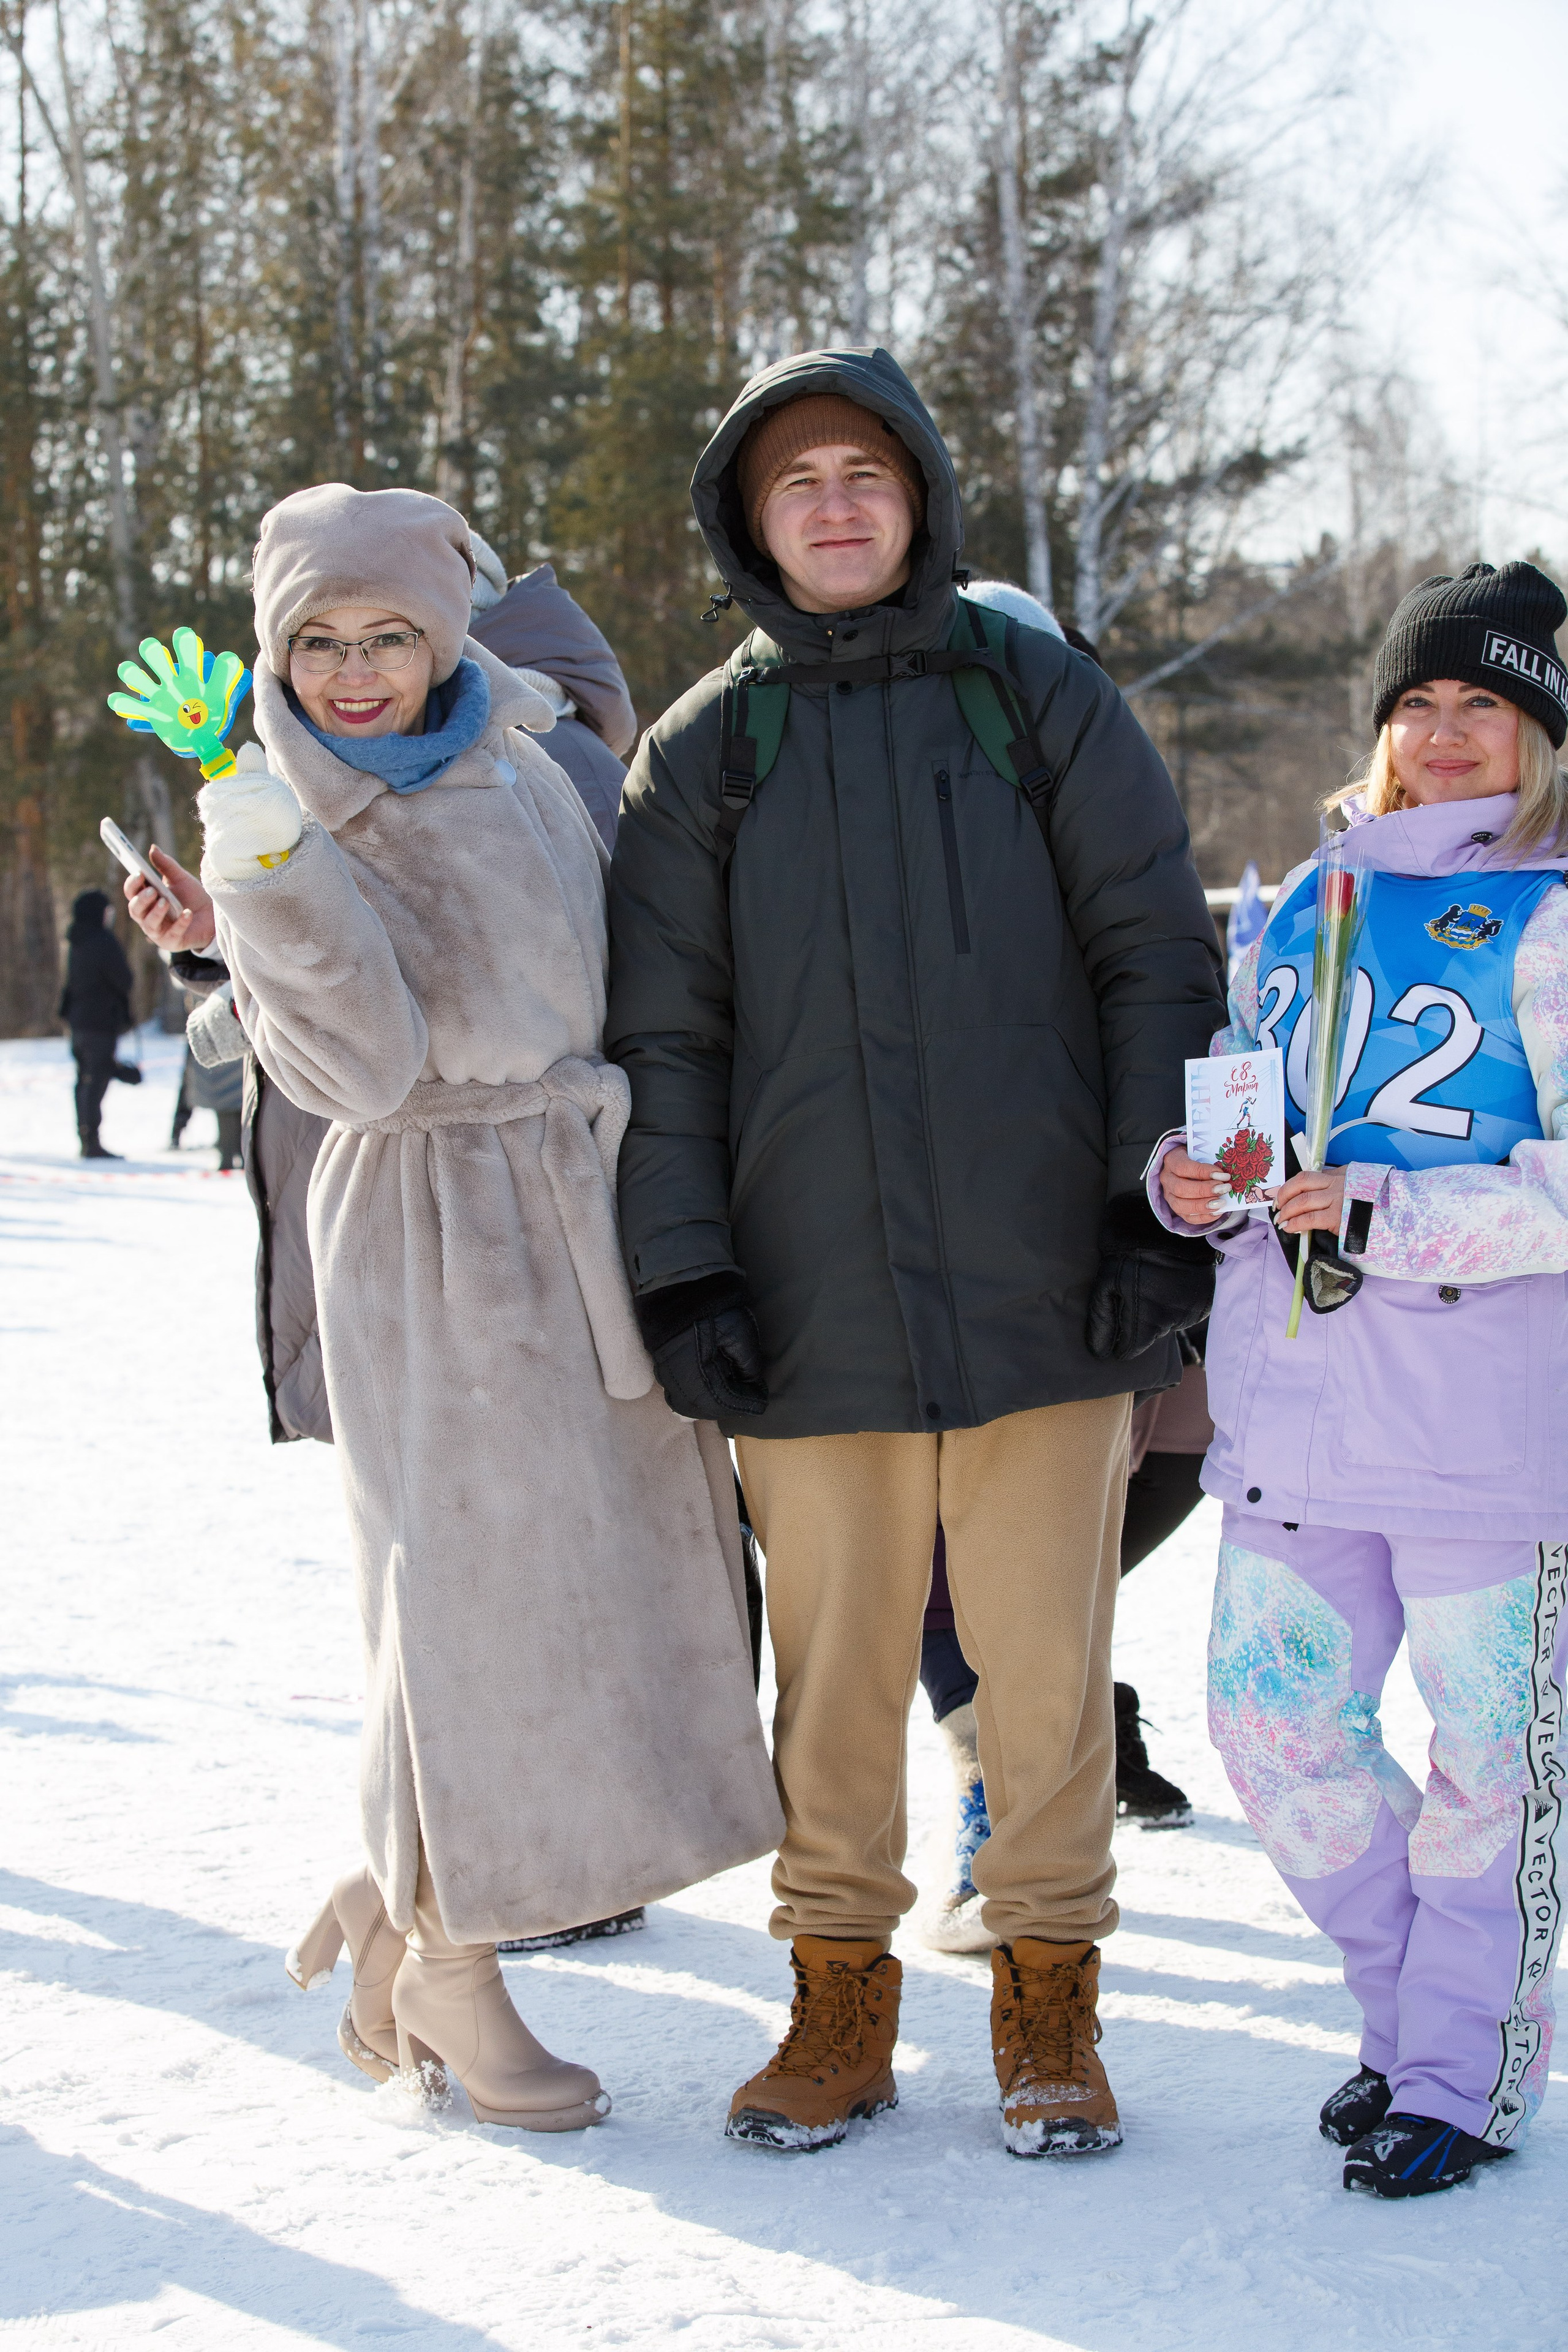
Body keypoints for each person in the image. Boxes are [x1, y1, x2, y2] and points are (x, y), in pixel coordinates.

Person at [607, 348, 1225, 2155]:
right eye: (794, 479)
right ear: (750, 517)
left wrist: (1146, 1204)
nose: (832, 503)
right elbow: (663, 1041)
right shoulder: (706, 747)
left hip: (1047, 1291)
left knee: (1042, 1673)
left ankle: (1047, 1997)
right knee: (834, 1679)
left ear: (920, 494)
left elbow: (1151, 958)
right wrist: (688, 1268)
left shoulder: (1032, 696)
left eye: (863, 471)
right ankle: (835, 2000)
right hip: (807, 1313)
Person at [175, 480, 781, 2130]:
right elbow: (357, 1067)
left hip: (581, 1209)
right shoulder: (284, 804)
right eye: (316, 643)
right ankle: (450, 1951)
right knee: (459, 1619)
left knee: (592, 1608)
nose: (356, 674)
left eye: (388, 636)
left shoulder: (514, 747)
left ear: (444, 633)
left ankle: (399, 1902)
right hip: (435, 1236)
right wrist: (260, 870)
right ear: (271, 653)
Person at [1153, 559, 1568, 2199]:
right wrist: (1183, 1182)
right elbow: (1255, 1124)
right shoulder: (1302, 902)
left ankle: (1464, 2070)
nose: (1447, 732)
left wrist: (1393, 1213)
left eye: (1489, 702)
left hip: (1489, 1427)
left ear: (1543, 732)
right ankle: (1411, 2022)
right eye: (1419, 702)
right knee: (1271, 1726)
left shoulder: (1561, 910)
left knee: (1495, 1772)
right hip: (1296, 1413)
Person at [59, 889, 141, 1158]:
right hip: (99, 1022)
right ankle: (91, 1142)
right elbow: (124, 979)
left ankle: (86, 1137)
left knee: (85, 1080)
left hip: (78, 1022)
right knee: (96, 1081)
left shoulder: (77, 940)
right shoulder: (102, 941)